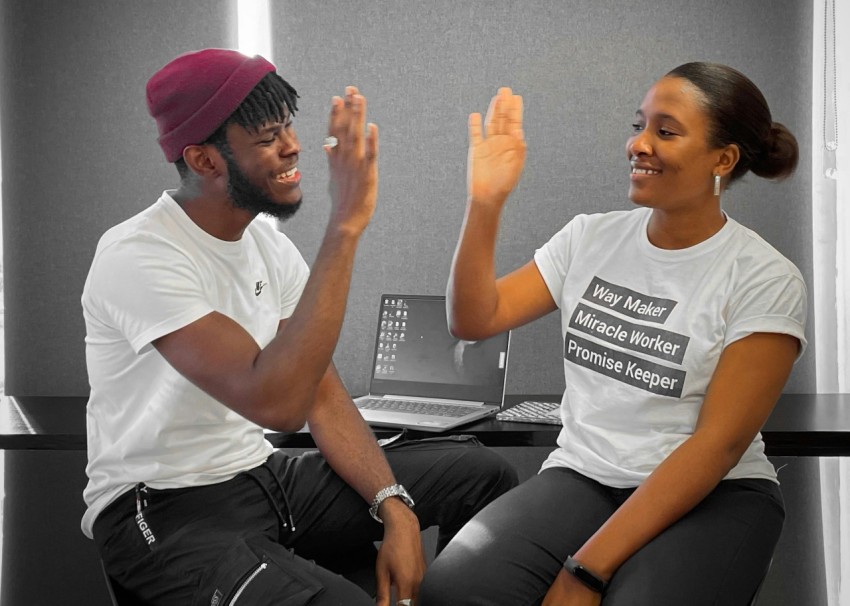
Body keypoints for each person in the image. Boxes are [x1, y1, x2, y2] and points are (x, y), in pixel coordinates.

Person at [81, 48, 517, 606]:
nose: (293, 146)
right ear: (205, 160)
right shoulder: (138, 255)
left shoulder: (269, 245)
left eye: (287, 126)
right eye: (266, 138)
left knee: (482, 475)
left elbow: (324, 396)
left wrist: (394, 504)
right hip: (164, 509)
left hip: (263, 480)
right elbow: (278, 403)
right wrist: (345, 224)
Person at [419, 62, 806, 606]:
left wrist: (585, 570)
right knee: (453, 591)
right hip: (585, 475)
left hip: (715, 492)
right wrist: (485, 202)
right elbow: (473, 320)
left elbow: (717, 447)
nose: (638, 145)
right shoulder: (589, 237)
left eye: (665, 132)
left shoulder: (763, 277)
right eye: (638, 125)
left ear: (724, 159)